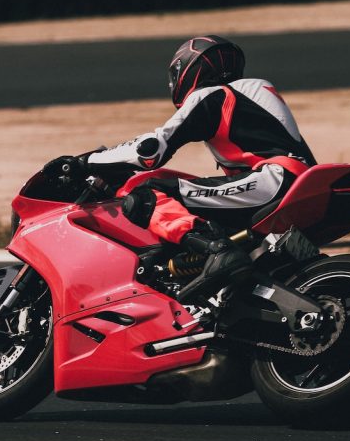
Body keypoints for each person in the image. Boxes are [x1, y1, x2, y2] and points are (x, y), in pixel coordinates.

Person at [44, 35, 316, 302]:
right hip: (295, 182)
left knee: (147, 194)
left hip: (275, 180)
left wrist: (85, 162)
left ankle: (216, 250)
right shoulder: (253, 92)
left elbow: (150, 150)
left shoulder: (214, 94)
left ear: (189, 69)